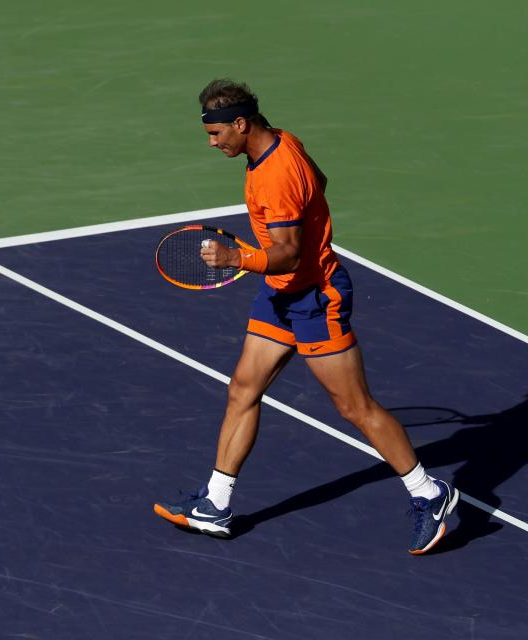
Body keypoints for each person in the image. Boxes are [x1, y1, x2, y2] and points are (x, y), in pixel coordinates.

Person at [153, 79, 458, 554]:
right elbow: (320, 182)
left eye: (216, 134)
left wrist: (238, 259)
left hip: (316, 297)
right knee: (243, 388)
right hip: (279, 294)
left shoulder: (275, 175)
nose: (212, 143)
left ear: (240, 123)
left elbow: (291, 254)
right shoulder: (281, 142)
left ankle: (429, 494)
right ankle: (215, 503)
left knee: (355, 407)